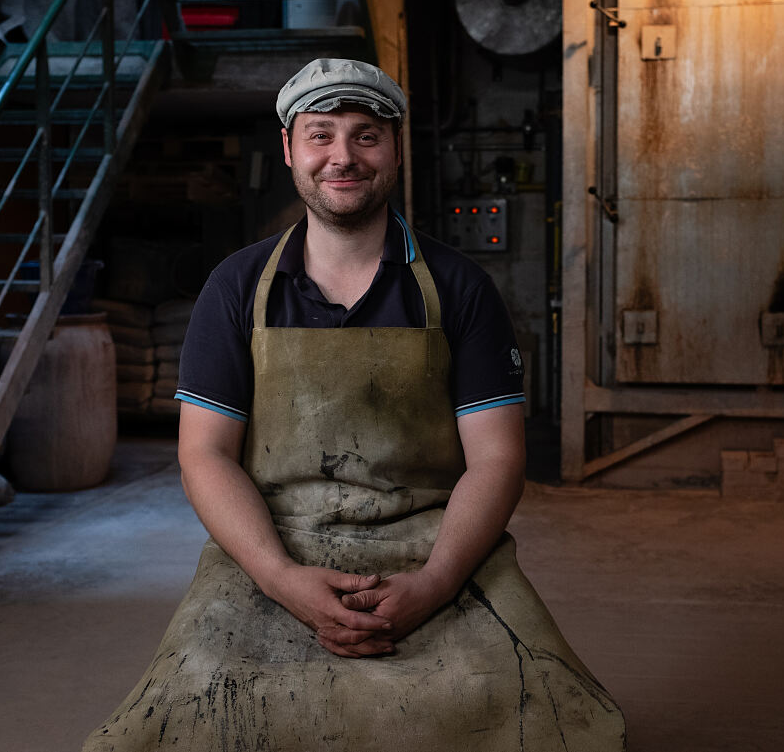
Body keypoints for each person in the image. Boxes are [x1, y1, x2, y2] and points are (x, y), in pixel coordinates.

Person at [83, 58, 625, 751]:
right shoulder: (238, 288)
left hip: (433, 542)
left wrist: (432, 583)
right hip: (273, 543)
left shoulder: (458, 289)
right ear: (289, 149)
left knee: (528, 700)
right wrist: (281, 578)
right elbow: (204, 454)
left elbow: (497, 459)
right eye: (321, 135)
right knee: (203, 689)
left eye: (366, 135)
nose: (343, 156)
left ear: (395, 147)